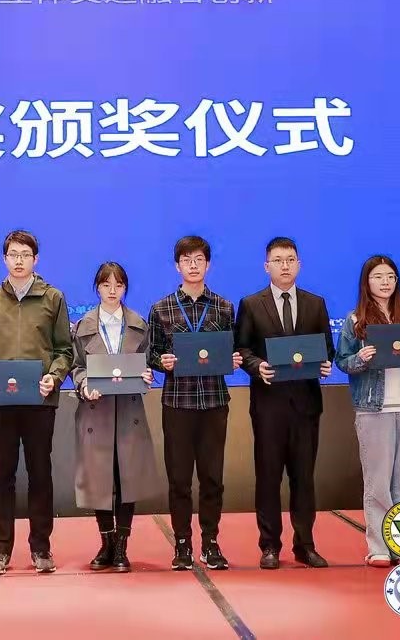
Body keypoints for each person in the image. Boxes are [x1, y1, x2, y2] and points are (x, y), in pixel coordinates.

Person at [0, 229, 73, 577]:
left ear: (35, 259)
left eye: (25, 255)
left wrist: (54, 377)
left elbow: (64, 350)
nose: (19, 260)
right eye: (13, 254)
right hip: (0, 401)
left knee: (40, 473)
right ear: (4, 259)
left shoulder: (53, 298)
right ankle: (0, 550)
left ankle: (41, 547)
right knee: (1, 475)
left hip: (40, 400)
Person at [236, 237, 333, 570]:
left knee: (304, 478)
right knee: (268, 477)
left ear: (299, 264)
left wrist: (325, 363)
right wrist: (256, 366)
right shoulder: (251, 304)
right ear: (267, 266)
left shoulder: (315, 304)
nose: (285, 266)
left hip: (306, 405)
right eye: (278, 260)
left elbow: (326, 347)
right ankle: (269, 545)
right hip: (268, 405)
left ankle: (305, 544)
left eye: (290, 259)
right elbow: (242, 348)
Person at [147, 235, 241, 570]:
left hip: (214, 402)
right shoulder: (161, 308)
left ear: (208, 264)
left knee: (213, 478)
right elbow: (151, 354)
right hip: (178, 403)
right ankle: (182, 543)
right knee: (179, 480)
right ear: (177, 266)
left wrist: (233, 360)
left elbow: (233, 350)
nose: (193, 265)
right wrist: (162, 362)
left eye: (199, 259)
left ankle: (211, 542)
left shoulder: (224, 307)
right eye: (186, 260)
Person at [335, 255, 400, 566]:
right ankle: (378, 546)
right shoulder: (355, 320)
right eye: (378, 276)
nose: (385, 282)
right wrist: (361, 357)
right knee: (377, 483)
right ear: (367, 282)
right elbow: (343, 362)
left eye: (390, 276)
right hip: (373, 408)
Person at [70, 262, 159, 573]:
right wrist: (84, 384)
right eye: (106, 285)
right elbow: (76, 367)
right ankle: (105, 542)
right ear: (97, 288)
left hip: (129, 410)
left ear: (125, 288)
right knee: (99, 478)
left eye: (118, 285)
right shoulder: (82, 327)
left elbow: (146, 362)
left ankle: (122, 545)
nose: (112, 291)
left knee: (127, 478)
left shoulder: (139, 325)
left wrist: (147, 375)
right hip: (97, 410)